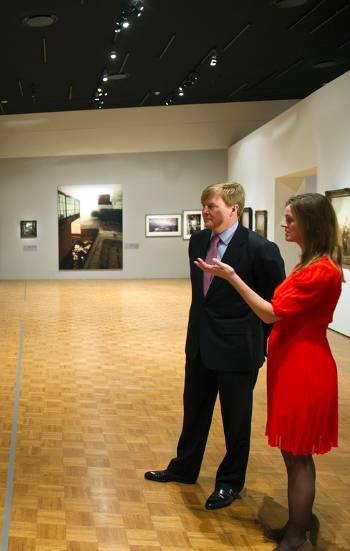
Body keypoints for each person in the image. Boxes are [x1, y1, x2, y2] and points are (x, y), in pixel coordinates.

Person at [195, 193, 340, 550]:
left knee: (299, 455)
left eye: (290, 219)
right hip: (290, 363)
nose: (283, 224)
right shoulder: (309, 263)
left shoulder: (321, 271)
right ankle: (297, 523)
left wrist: (232, 277)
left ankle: (296, 535)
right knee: (292, 454)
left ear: (311, 223)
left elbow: (270, 312)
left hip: (305, 367)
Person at [144, 182, 285, 510]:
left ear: (234, 209)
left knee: (236, 420)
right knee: (193, 411)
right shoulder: (198, 241)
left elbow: (273, 305)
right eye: (204, 206)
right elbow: (203, 298)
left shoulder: (259, 248)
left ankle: (230, 482)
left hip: (238, 350)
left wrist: (257, 343)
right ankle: (184, 467)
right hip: (200, 345)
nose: (205, 212)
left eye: (212, 206)